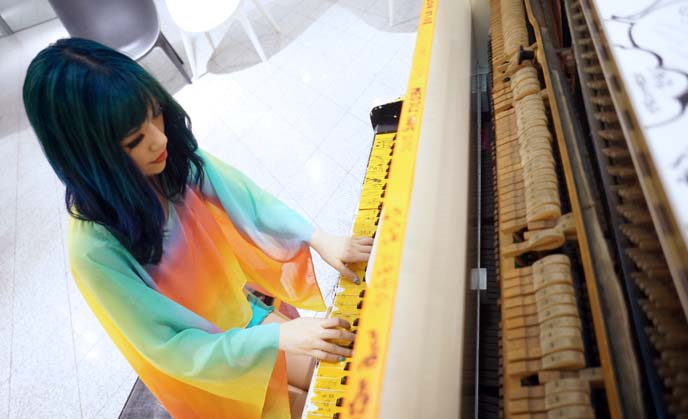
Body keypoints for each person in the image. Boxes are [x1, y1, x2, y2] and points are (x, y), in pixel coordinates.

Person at [22, 38, 373, 419]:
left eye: (155, 114)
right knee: (316, 404)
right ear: (91, 158)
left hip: (244, 319)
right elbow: (173, 350)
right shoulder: (94, 249)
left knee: (348, 369)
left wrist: (318, 237)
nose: (160, 139)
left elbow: (249, 202)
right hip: (206, 369)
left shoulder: (171, 164)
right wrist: (278, 336)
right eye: (134, 139)